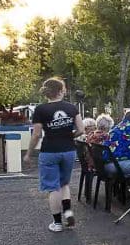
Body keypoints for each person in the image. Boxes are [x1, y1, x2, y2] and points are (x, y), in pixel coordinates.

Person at [25, 77, 85, 232]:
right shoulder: (71, 108)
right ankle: (69, 214)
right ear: (61, 90)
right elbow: (81, 129)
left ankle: (57, 223)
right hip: (68, 151)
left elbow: (37, 134)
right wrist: (68, 137)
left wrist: (28, 153)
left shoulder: (41, 110)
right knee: (64, 184)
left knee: (53, 188)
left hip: (50, 151)